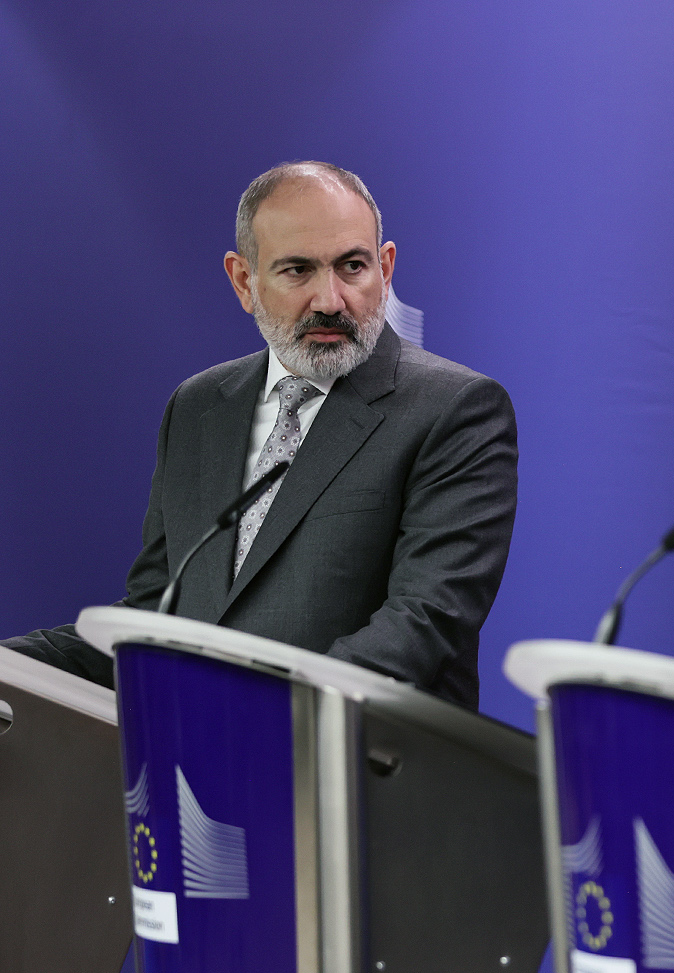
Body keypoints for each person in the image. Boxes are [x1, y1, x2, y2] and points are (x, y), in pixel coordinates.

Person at [4, 162, 517, 710]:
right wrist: (12, 667)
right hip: (206, 756)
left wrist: (254, 717)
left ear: (385, 268)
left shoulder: (453, 409)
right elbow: (156, 616)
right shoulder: (199, 407)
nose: (330, 300)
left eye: (352, 266)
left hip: (358, 754)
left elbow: (423, 623)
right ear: (244, 281)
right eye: (298, 270)